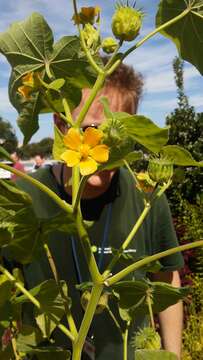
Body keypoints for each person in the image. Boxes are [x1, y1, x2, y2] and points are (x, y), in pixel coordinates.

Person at [16, 61, 184, 359]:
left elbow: (167, 282)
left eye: (118, 129)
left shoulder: (147, 197)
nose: (106, 142)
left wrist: (174, 355)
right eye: (93, 128)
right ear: (61, 124)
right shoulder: (25, 197)